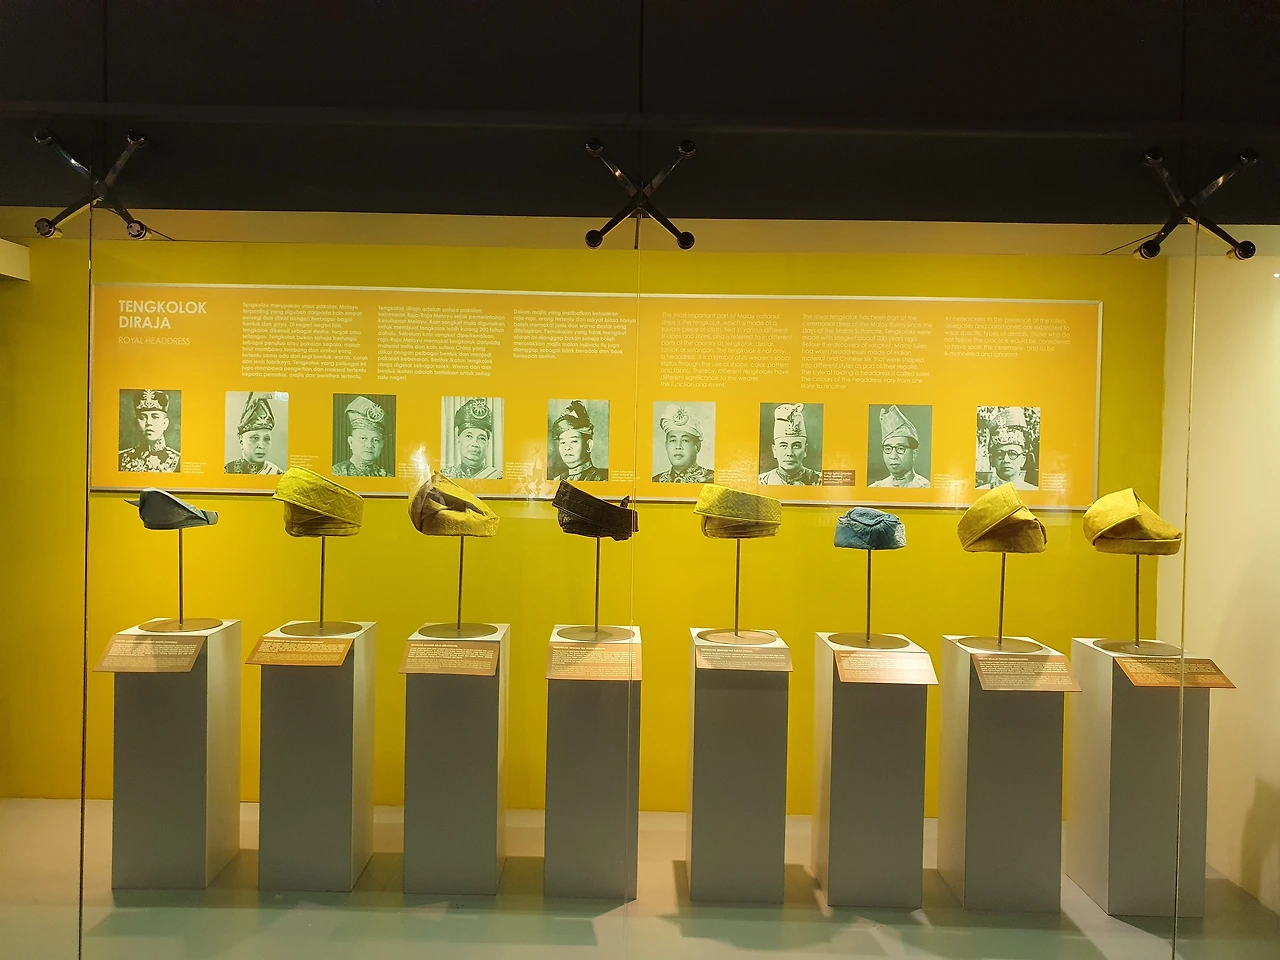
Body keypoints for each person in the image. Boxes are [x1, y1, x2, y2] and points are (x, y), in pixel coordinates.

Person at [758, 402, 821, 485]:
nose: (789, 453)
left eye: (796, 446)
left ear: (805, 450)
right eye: (783, 446)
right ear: (774, 450)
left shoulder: (820, 481)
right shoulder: (762, 482)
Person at [118, 389, 180, 472]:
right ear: (136, 423)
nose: (149, 423)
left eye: (155, 417)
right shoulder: (121, 458)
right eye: (142, 418)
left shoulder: (178, 461)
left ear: (165, 423)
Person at [869, 405, 930, 488]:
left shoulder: (925, 487)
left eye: (900, 448)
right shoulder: (876, 487)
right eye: (888, 449)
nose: (893, 456)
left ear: (914, 453)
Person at [978, 406, 1038, 490]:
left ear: (1023, 460)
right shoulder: (981, 491)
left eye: (1013, 454)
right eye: (1000, 454)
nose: (1006, 460)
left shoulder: (1033, 491)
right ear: (991, 460)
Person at [442, 397, 503, 479]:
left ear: (487, 444)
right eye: (469, 436)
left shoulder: (498, 477)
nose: (475, 444)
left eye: (482, 438)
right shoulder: (444, 477)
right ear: (458, 441)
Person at [652, 404, 714, 482]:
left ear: (697, 446)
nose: (678, 446)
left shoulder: (711, 480)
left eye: (685, 440)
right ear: (666, 446)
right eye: (673, 440)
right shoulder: (656, 480)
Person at [225, 393, 283, 475]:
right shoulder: (228, 470)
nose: (261, 446)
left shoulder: (277, 473)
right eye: (255, 438)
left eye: (266, 439)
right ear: (241, 441)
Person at [332, 395, 390, 477]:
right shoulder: (337, 473)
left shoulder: (386, 475)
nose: (369, 445)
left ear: (382, 444)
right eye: (363, 438)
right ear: (351, 442)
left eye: (375, 440)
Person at [550, 400, 608, 481]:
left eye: (574, 441)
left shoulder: (602, 479)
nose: (567, 447)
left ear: (589, 445)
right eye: (563, 442)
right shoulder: (557, 480)